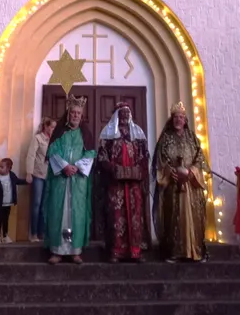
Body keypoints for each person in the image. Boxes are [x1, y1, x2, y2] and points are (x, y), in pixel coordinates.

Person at [152, 101, 209, 263]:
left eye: (181, 117)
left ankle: (195, 251)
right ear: (172, 119)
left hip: (191, 186)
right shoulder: (165, 139)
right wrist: (171, 172)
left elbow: (200, 158)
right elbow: (160, 161)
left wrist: (191, 172)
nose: (179, 120)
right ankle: (175, 253)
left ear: (185, 120)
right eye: (176, 117)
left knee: (194, 219)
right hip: (173, 185)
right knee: (174, 218)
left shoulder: (193, 138)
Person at [43, 95, 96, 265]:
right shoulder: (60, 133)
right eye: (73, 112)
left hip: (78, 181)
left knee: (76, 215)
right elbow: (53, 151)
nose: (75, 115)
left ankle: (75, 251)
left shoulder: (85, 134)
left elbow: (90, 153)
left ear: (82, 115)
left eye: (78, 113)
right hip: (61, 181)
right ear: (68, 114)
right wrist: (64, 166)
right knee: (59, 213)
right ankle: (57, 251)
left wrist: (78, 167)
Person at [96, 102, 150, 263]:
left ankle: (135, 251)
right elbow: (102, 157)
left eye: (128, 113)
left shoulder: (137, 133)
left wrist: (139, 169)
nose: (125, 116)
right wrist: (113, 168)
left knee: (135, 216)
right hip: (116, 184)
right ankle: (116, 251)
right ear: (117, 115)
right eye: (122, 113)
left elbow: (144, 155)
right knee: (116, 216)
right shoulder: (108, 134)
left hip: (133, 185)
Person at [24, 117, 56, 242]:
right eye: (52, 127)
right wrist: (29, 173)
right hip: (38, 175)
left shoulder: (53, 141)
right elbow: (31, 155)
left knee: (44, 205)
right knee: (36, 204)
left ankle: (42, 233)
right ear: (46, 127)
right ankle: (34, 234)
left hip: (49, 175)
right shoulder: (38, 139)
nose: (53, 129)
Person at [0, 158, 27, 243]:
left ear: (8, 168)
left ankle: (5, 236)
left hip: (8, 203)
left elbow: (18, 181)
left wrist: (26, 181)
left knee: (6, 220)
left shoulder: (11, 176)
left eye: (2, 167)